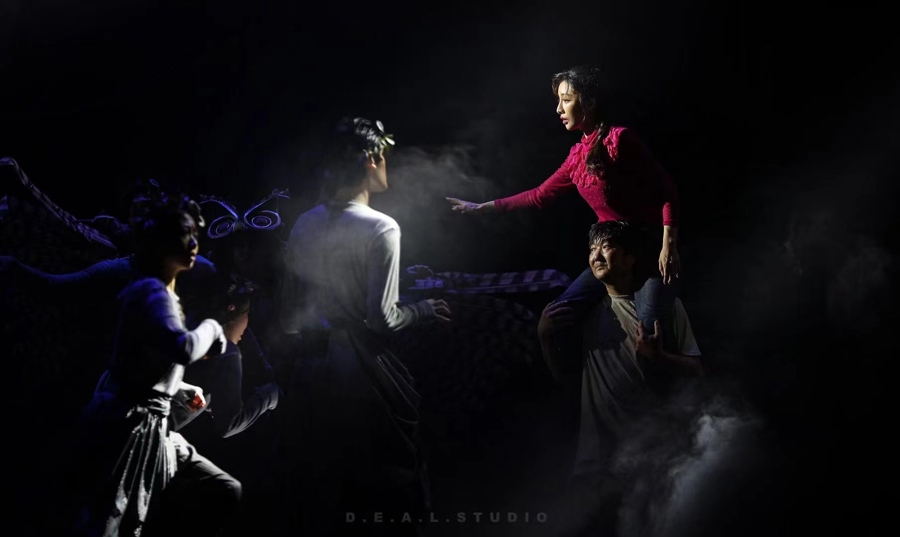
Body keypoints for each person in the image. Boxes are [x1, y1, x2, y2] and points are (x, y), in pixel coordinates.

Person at [279, 117, 451, 536]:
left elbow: (288, 317)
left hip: (312, 368)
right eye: (384, 157)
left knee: (325, 483)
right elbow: (383, 318)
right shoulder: (381, 226)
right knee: (386, 479)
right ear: (372, 159)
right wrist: (425, 309)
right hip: (362, 368)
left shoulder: (303, 223)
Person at [446, 65, 682, 348]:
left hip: (648, 250)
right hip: (608, 252)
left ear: (589, 102)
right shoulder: (576, 157)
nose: (559, 109)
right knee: (555, 320)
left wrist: (668, 246)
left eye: (566, 100)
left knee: (652, 339)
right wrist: (482, 207)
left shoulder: (620, 139)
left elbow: (666, 190)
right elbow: (539, 195)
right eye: (558, 100)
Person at [70, 191, 238, 537]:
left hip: (152, 425)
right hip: (128, 427)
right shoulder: (150, 293)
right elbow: (183, 348)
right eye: (185, 235)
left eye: (195, 236)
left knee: (224, 488)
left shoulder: (163, 293)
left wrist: (179, 388)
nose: (194, 245)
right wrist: (212, 329)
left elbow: (151, 360)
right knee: (110, 523)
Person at [537, 221, 702, 536]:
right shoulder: (586, 315)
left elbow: (697, 371)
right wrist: (544, 337)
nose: (596, 255)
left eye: (606, 247)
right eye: (591, 249)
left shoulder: (665, 310)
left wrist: (660, 357)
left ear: (629, 258)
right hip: (594, 466)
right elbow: (566, 382)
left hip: (653, 458)